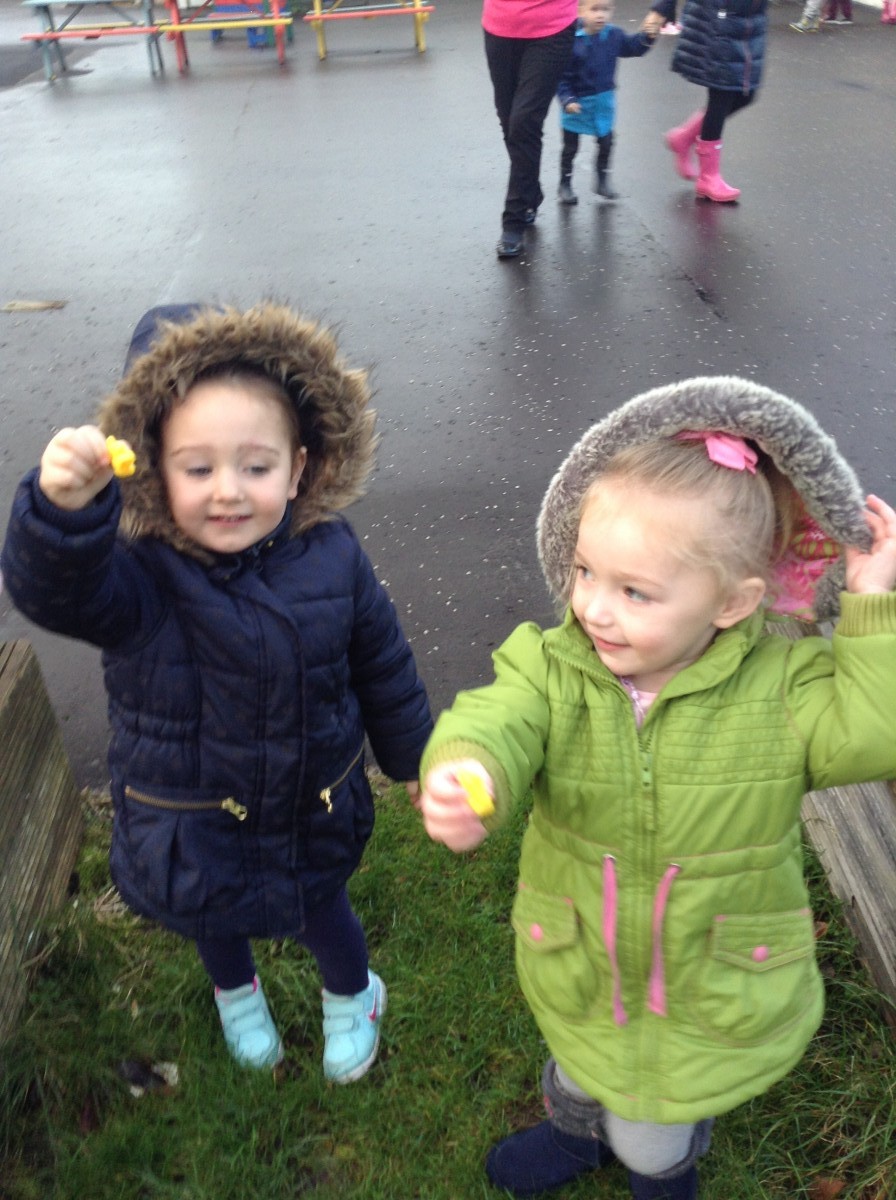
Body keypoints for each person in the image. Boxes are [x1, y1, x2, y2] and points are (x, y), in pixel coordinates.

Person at [418, 376, 896, 1200]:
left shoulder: (784, 691)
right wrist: (468, 769)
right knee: (576, 1062)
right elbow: (499, 716)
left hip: (705, 981)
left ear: (733, 602)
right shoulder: (553, 665)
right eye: (585, 571)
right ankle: (575, 1134)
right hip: (582, 951)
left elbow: (872, 728)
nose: (595, 610)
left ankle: (664, 1173)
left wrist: (872, 603)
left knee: (653, 1126)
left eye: (635, 591)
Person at [1, 302, 433, 1080]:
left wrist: (413, 759)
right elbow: (57, 593)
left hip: (307, 804)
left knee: (322, 909)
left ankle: (352, 993)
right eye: (197, 469)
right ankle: (237, 994)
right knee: (210, 912)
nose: (227, 491)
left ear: (298, 467)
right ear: (152, 470)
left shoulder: (333, 555)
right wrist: (62, 515)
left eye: (256, 467)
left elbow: (382, 662)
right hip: (188, 814)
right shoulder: (137, 576)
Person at [483, 0, 578, 259]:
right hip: (499, 24)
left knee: (524, 121)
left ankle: (513, 220)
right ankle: (530, 192)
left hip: (552, 26)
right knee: (509, 121)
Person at [653, 0, 768, 203]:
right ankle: (708, 177)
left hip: (749, 23)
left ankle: (683, 137)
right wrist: (663, 8)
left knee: (746, 94)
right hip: (719, 20)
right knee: (722, 93)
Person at [556, 0, 656, 206]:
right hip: (576, 105)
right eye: (594, 9)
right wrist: (567, 99)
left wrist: (648, 36)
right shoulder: (571, 39)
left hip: (603, 103)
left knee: (606, 142)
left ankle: (602, 180)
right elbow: (561, 77)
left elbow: (634, 47)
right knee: (570, 147)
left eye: (606, 9)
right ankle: (565, 184)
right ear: (580, 10)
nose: (600, 15)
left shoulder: (614, 35)